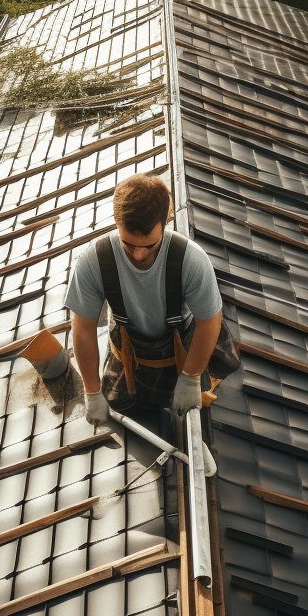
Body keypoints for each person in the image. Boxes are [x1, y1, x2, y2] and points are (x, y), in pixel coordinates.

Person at [65, 174, 223, 427]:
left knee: (194, 417)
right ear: (117, 222)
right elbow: (82, 329)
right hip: (131, 350)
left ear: (165, 222)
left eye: (149, 246)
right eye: (129, 244)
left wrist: (191, 377)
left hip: (183, 348)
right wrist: (92, 392)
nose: (138, 254)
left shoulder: (190, 260)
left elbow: (210, 321)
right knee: (121, 408)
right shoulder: (95, 260)